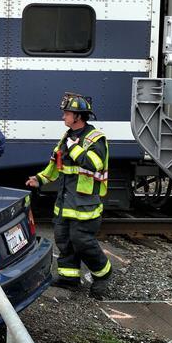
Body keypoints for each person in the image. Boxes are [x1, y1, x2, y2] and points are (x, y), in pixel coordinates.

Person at [26, 93, 111, 299]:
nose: (64, 117)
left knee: (82, 241)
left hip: (85, 203)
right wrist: (40, 179)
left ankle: (103, 274)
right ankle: (69, 278)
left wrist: (74, 149)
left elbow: (94, 164)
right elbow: (56, 165)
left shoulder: (95, 139)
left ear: (78, 116)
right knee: (63, 240)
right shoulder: (67, 136)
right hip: (65, 202)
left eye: (67, 113)